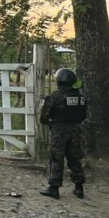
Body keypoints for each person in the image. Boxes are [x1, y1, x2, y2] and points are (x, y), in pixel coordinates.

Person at [39, 68, 87, 200]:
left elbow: (44, 117)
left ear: (59, 81)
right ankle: (79, 188)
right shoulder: (80, 97)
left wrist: (50, 123)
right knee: (74, 157)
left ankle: (54, 188)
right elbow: (83, 115)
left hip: (59, 130)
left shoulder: (54, 97)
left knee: (56, 158)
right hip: (76, 130)